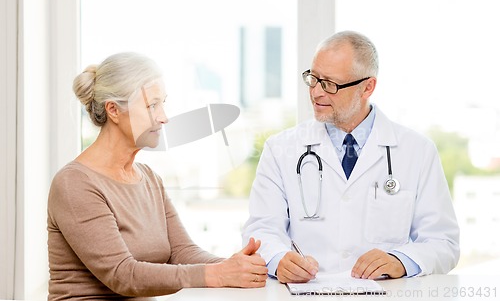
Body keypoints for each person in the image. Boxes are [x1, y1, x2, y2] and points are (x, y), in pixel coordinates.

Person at [242, 30, 460, 283]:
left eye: (330, 84)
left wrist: (401, 260)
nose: (316, 93)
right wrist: (279, 260)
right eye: (313, 79)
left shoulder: (417, 151)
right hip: (305, 293)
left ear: (367, 87)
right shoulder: (280, 149)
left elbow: (443, 243)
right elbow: (261, 229)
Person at [47, 52, 268, 300]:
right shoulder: (75, 184)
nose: (164, 117)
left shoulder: (149, 178)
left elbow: (182, 252)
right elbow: (122, 275)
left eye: (163, 103)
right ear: (114, 110)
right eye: (152, 105)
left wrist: (233, 266)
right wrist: (217, 274)